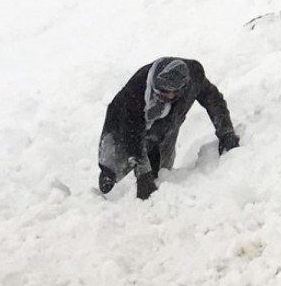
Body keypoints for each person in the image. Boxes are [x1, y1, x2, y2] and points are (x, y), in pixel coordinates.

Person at [97, 57, 239, 200]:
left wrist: (226, 131)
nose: (159, 95)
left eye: (164, 93)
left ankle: (155, 182)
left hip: (167, 126)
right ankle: (109, 175)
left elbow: (213, 100)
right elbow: (131, 130)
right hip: (123, 122)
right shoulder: (138, 87)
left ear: (180, 89)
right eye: (157, 91)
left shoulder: (194, 76)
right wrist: (142, 173)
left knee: (161, 172)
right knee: (116, 163)